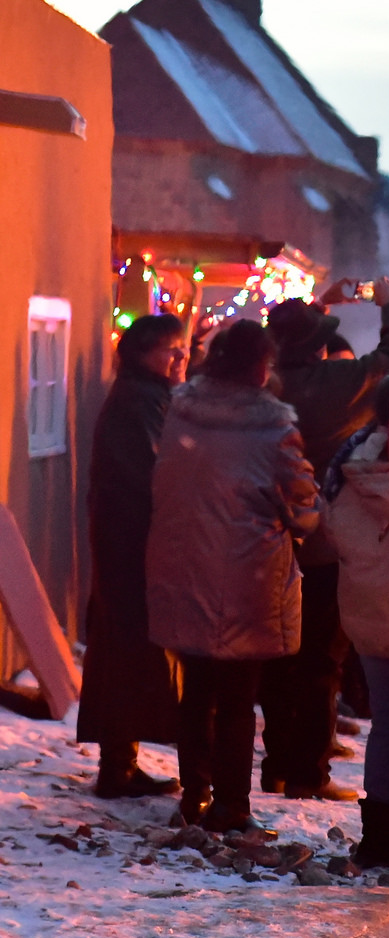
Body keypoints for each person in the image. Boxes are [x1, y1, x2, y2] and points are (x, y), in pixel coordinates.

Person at [146, 321, 321, 832]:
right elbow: (305, 507)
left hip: (183, 567)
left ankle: (193, 792)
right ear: (260, 367)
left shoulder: (180, 410)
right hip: (248, 575)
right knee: (239, 697)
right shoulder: (273, 428)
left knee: (197, 688)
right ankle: (232, 805)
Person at [262, 278, 389, 803]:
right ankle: (309, 770)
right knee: (321, 660)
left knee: (276, 657)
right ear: (319, 347)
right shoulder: (340, 383)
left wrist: (315, 305)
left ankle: (278, 764)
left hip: (263, 541)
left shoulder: (260, 385)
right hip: (325, 542)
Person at [78, 314, 188, 799]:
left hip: (127, 544)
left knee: (124, 652)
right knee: (127, 651)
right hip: (132, 547)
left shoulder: (145, 397)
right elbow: (152, 476)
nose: (181, 358)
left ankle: (120, 761)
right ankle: (117, 766)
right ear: (144, 353)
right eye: (172, 349)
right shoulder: (139, 402)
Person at [326, 372, 389, 868]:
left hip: (365, 611)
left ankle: (379, 837)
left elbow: (331, 524)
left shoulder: (348, 460)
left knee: (387, 725)